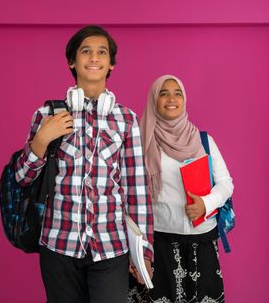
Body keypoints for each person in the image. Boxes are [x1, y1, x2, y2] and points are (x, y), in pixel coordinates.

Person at [15, 25, 153, 303]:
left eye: (102, 52)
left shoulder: (126, 119)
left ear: (111, 63)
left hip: (111, 246)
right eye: (86, 51)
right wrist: (42, 139)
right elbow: (23, 177)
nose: (94, 58)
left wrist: (144, 252)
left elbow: (137, 190)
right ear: (72, 61)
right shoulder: (47, 114)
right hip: (58, 244)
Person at [127, 75, 233, 303]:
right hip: (159, 243)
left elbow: (226, 183)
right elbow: (130, 193)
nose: (171, 99)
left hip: (201, 240)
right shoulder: (142, 142)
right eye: (163, 93)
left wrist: (205, 204)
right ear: (154, 100)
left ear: (184, 99)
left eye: (178, 93)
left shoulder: (203, 140)